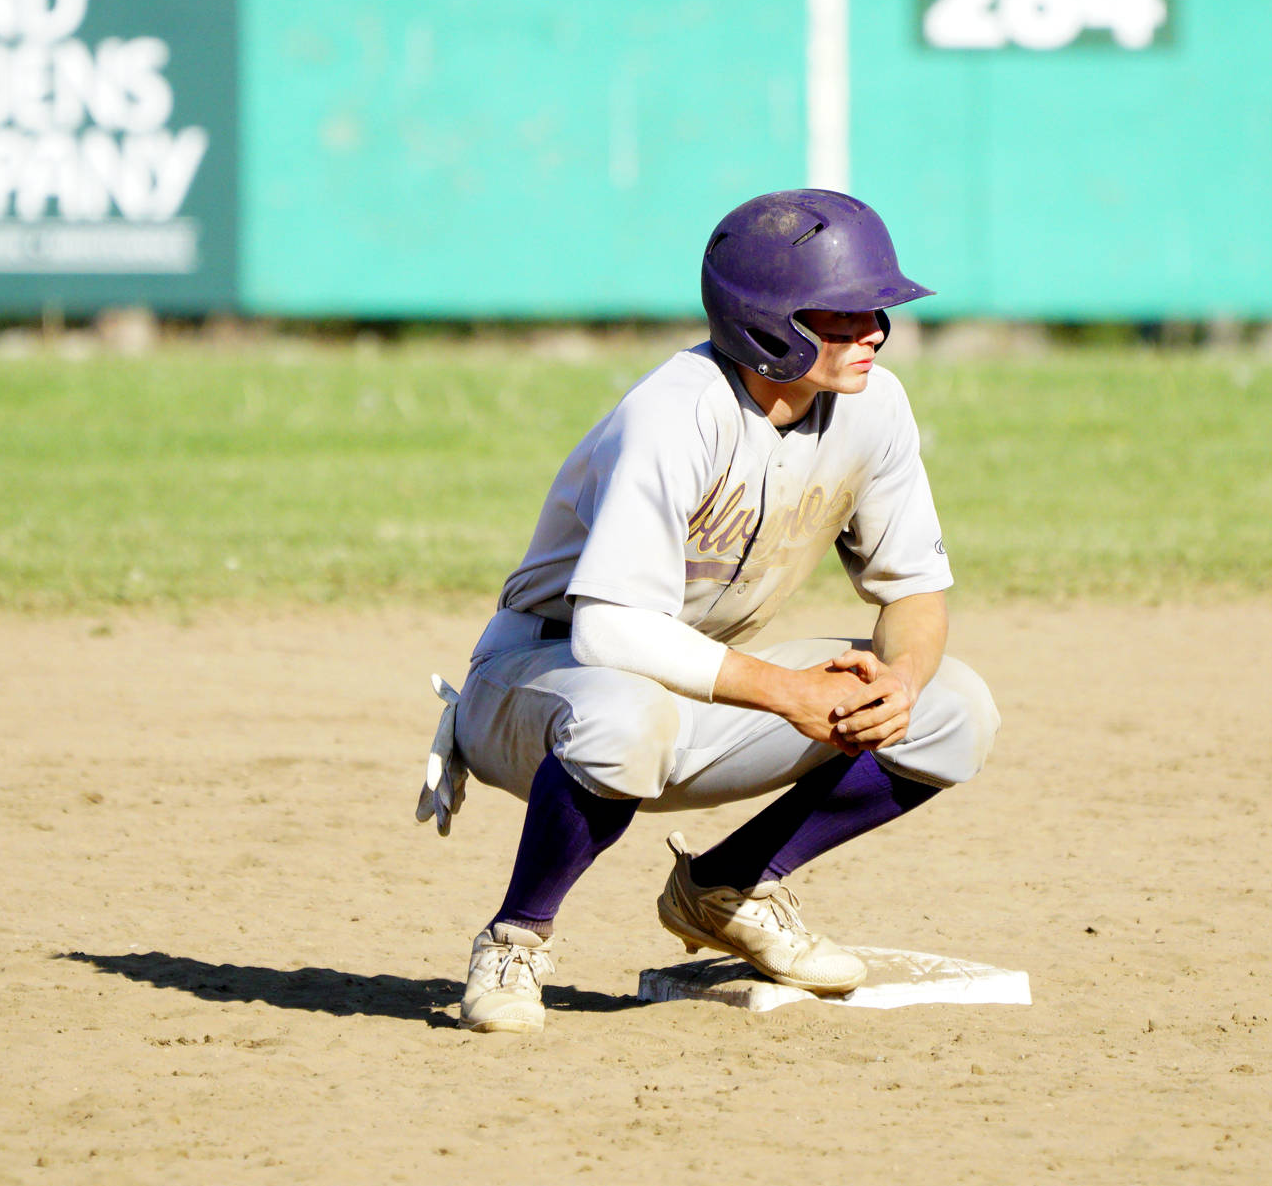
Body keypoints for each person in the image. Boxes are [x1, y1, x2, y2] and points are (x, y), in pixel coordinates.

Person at [420, 188, 1001, 1034]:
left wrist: (902, 679)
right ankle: (516, 937)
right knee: (625, 712)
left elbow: (913, 589)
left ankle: (727, 886)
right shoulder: (673, 414)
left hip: (695, 681)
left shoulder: (876, 408)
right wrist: (789, 692)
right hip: (538, 688)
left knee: (955, 709)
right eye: (840, 314)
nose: (872, 328)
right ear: (766, 322)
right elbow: (609, 631)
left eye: (876, 308)